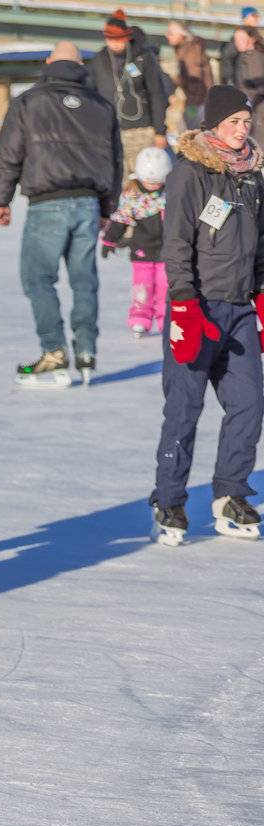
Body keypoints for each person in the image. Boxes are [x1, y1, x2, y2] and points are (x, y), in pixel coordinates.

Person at [152, 84, 264, 545]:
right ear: (214, 124)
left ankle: (230, 493)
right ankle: (170, 500)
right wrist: (183, 303)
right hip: (198, 307)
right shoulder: (191, 173)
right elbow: (176, 242)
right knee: (184, 408)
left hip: (239, 309)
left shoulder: (253, 175)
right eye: (234, 122)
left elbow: (259, 243)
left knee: (249, 404)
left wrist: (260, 295)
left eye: (246, 122)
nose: (242, 130)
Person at [0, 42, 121, 388]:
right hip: (89, 203)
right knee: (84, 280)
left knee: (38, 278)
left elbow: (9, 152)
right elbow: (115, 161)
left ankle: (55, 351)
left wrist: (1, 199)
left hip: (48, 202)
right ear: (81, 66)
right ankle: (87, 351)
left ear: (48, 62)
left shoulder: (28, 102)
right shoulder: (102, 106)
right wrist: (108, 206)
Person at [101, 146, 171, 338]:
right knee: (143, 286)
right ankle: (140, 318)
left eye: (157, 182)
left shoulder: (171, 196)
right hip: (142, 250)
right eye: (149, 182)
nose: (153, 186)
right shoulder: (133, 199)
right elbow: (120, 219)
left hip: (167, 251)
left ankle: (166, 318)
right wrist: (109, 240)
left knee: (166, 285)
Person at [89, 8, 170, 173]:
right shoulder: (98, 60)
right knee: (118, 179)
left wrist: (160, 131)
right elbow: (91, 96)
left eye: (119, 39)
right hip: (111, 131)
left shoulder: (143, 58)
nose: (116, 43)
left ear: (126, 38)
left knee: (144, 177)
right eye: (111, 39)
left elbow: (157, 94)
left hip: (142, 130)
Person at [168, 21, 214, 132]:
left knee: (191, 134)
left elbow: (194, 78)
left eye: (170, 33)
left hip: (196, 102)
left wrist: (172, 83)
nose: (167, 35)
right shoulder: (186, 48)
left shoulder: (190, 51)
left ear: (181, 35)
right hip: (197, 100)